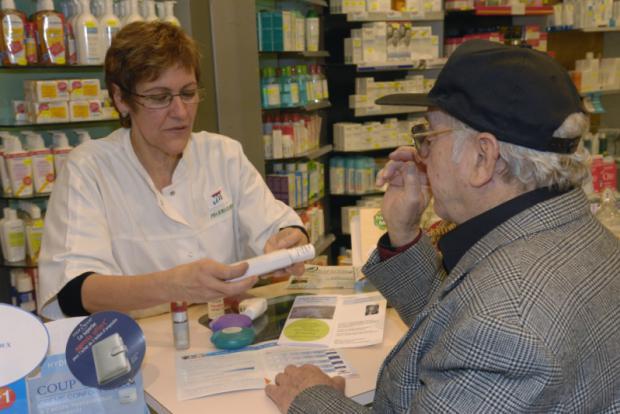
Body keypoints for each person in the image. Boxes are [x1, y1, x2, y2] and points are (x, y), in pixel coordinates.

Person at [266, 40, 620, 413]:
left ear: (483, 158)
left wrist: (311, 399)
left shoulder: (506, 322)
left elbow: (488, 326)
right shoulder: (572, 235)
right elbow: (455, 324)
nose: (421, 155)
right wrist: (403, 233)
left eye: (428, 138)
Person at [38, 21, 308, 320]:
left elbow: (276, 225)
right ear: (121, 98)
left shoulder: (222, 154)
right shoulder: (89, 168)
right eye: (159, 97)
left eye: (188, 93)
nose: (180, 112)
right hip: (138, 347)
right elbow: (74, 291)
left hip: (224, 334)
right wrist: (172, 285)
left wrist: (290, 239)